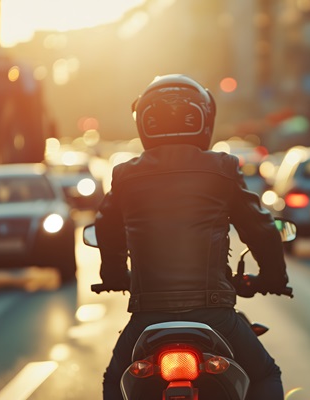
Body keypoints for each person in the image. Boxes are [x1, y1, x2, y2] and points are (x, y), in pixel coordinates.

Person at [94, 74, 290, 400]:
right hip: (215, 312)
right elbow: (261, 229)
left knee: (114, 383)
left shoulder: (125, 174)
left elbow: (107, 229)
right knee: (266, 374)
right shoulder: (222, 168)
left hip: (147, 315)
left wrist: (114, 275)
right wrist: (272, 278)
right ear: (205, 120)